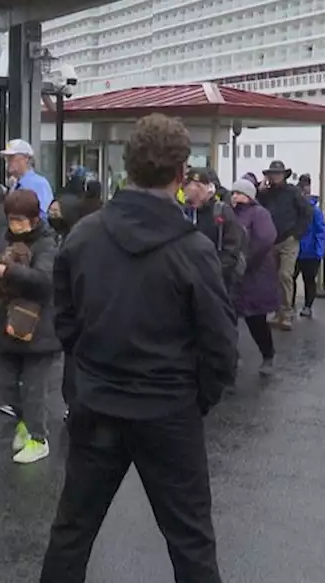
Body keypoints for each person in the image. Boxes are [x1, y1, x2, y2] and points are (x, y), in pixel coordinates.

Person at [40, 113, 237, 583]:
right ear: (180, 174)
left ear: (127, 167)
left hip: (98, 401)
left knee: (73, 530)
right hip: (169, 408)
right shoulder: (193, 249)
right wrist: (196, 397)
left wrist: (88, 372)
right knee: (190, 540)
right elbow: (220, 344)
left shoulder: (84, 235)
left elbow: (65, 319)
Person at [0, 189, 60, 464]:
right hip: (8, 324)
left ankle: (39, 439)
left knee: (34, 389)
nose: (16, 224)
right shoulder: (4, 239)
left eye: (21, 219)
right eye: (11, 218)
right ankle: (25, 422)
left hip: (40, 328)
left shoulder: (47, 243)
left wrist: (8, 271)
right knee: (5, 385)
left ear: (34, 218)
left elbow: (44, 280)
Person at [230, 179, 280, 375]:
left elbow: (265, 239)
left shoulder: (259, 214)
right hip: (233, 275)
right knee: (228, 318)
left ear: (249, 196)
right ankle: (231, 357)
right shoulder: (228, 213)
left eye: (239, 193)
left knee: (256, 319)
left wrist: (245, 261)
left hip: (254, 274)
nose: (234, 196)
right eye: (233, 193)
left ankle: (268, 354)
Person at [257, 160, 314, 330]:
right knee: (273, 277)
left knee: (285, 275)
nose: (275, 177)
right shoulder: (265, 194)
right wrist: (260, 191)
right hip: (271, 240)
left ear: (284, 175)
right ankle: (277, 312)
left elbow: (307, 212)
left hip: (289, 239)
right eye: (272, 174)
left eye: (278, 174)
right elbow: (257, 208)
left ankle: (287, 313)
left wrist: (298, 233)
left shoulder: (293, 192)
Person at [183, 168, 247, 296]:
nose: (193, 191)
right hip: (188, 280)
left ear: (209, 189)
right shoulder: (184, 213)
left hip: (216, 281)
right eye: (190, 186)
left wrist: (215, 271)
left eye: (198, 187)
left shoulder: (221, 211)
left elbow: (232, 248)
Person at [295, 173, 325, 318]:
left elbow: (320, 231)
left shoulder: (314, 211)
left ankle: (307, 306)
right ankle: (294, 305)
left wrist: (319, 252)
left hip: (309, 251)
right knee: (292, 278)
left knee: (307, 280)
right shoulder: (307, 209)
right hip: (300, 250)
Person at [1, 139, 54, 216]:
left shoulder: (39, 183)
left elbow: (44, 215)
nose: (8, 162)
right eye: (6, 158)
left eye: (12, 157)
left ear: (26, 159)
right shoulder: (14, 184)